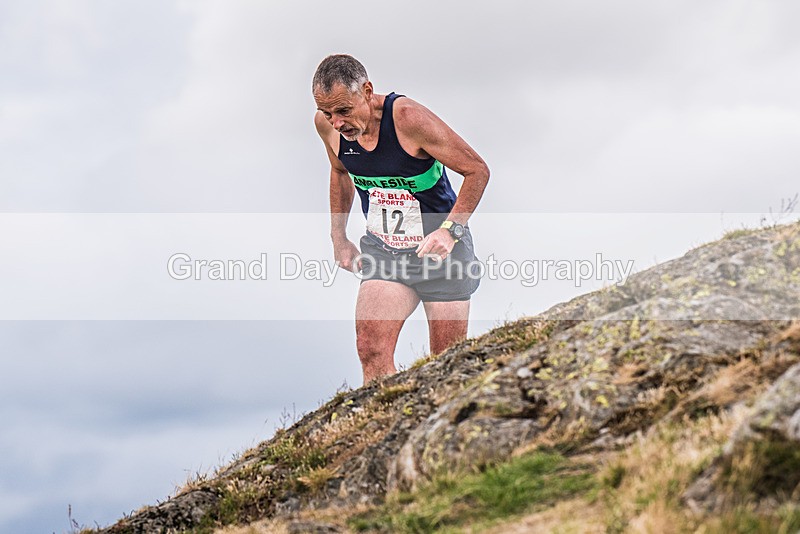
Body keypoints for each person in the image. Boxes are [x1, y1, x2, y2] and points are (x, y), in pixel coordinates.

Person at [312, 54, 490, 384]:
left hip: (441, 254)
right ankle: (382, 427)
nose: (336, 122)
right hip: (385, 253)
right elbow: (339, 172)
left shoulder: (408, 119)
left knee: (447, 369)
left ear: (367, 91)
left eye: (344, 111)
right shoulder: (329, 127)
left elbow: (477, 170)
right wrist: (339, 237)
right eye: (327, 113)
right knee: (370, 350)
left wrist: (450, 231)